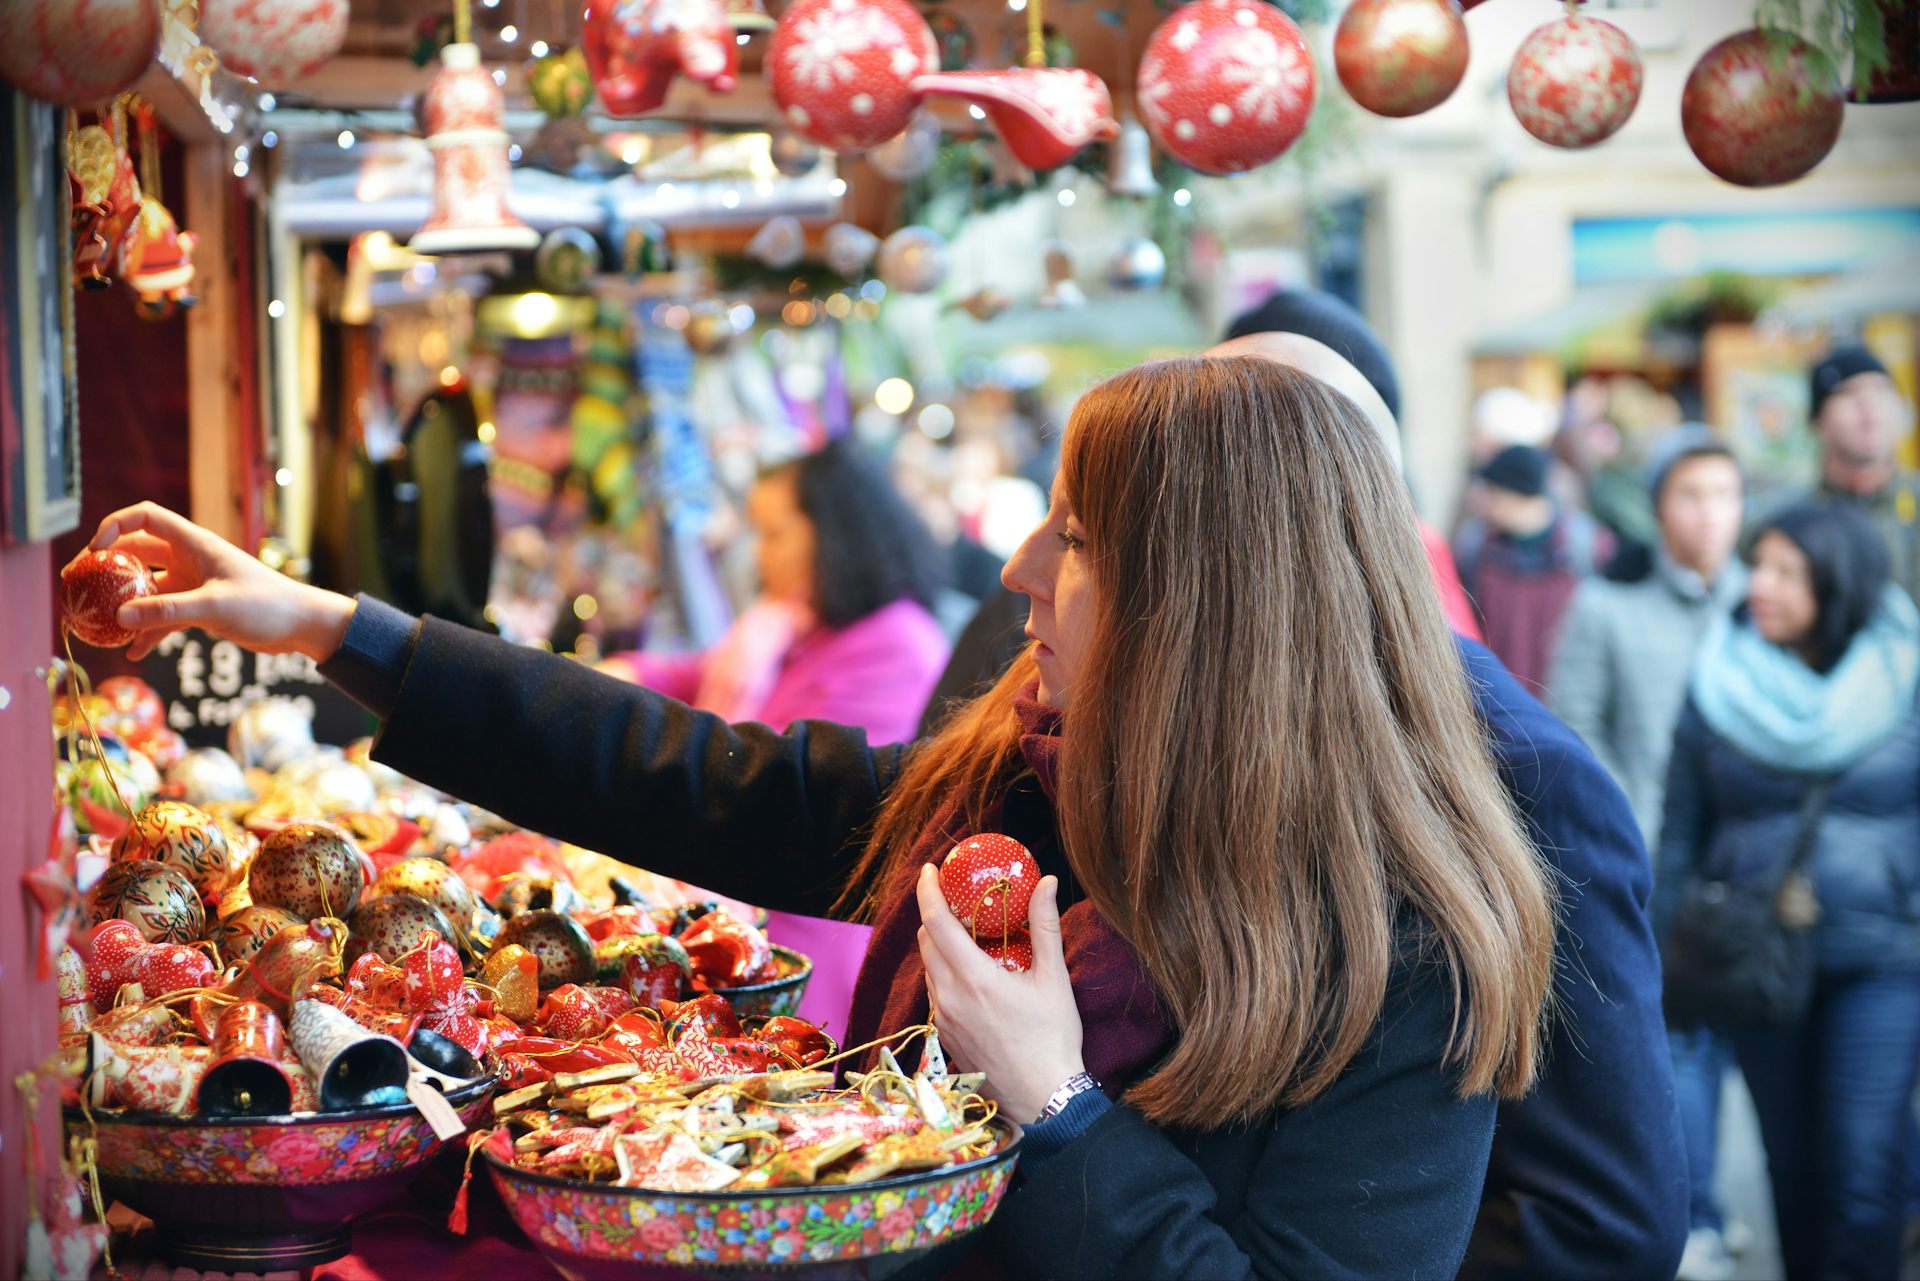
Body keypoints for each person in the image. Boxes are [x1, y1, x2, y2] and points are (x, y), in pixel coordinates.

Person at [94, 357, 1557, 1277]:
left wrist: (1056, 1108)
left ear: (1211, 612)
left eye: (1079, 538)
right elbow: (690, 775)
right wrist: (336, 626)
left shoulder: (1405, 953)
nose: (1020, 572)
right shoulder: (1028, 787)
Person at [1655, 503, 1920, 1281]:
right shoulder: (1719, 677)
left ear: (1836, 582)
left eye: (1783, 569)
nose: (1757, 585)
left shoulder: (1903, 675)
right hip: (1755, 956)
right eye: (1757, 564)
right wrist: (1665, 956)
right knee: (1792, 1169)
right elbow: (1680, 832)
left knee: (1864, 1168)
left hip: (1881, 960)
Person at [1547, 426, 1749, 1280]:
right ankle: (1697, 1211)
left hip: (1753, 873)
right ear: (1658, 506)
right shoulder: (1609, 605)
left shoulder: (1765, 596)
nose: (1710, 516)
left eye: (1725, 495)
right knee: (1678, 1053)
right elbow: (1576, 733)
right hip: (1651, 872)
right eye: (1690, 495)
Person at [599, 439, 951, 745]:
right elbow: (698, 674)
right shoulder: (793, 620)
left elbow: (788, 776)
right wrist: (618, 677)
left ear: (835, 538)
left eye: (773, 535)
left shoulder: (898, 649)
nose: (756, 553)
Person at [1455, 443, 1614, 692]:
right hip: (1498, 699)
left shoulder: (1587, 548)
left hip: (1564, 698)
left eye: (1491, 492)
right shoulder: (1476, 548)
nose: (1483, 501)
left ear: (1513, 493)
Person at [1794, 344, 1920, 605]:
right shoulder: (1796, 520)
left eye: (1881, 390)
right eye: (1848, 393)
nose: (1869, 406)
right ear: (1817, 420)